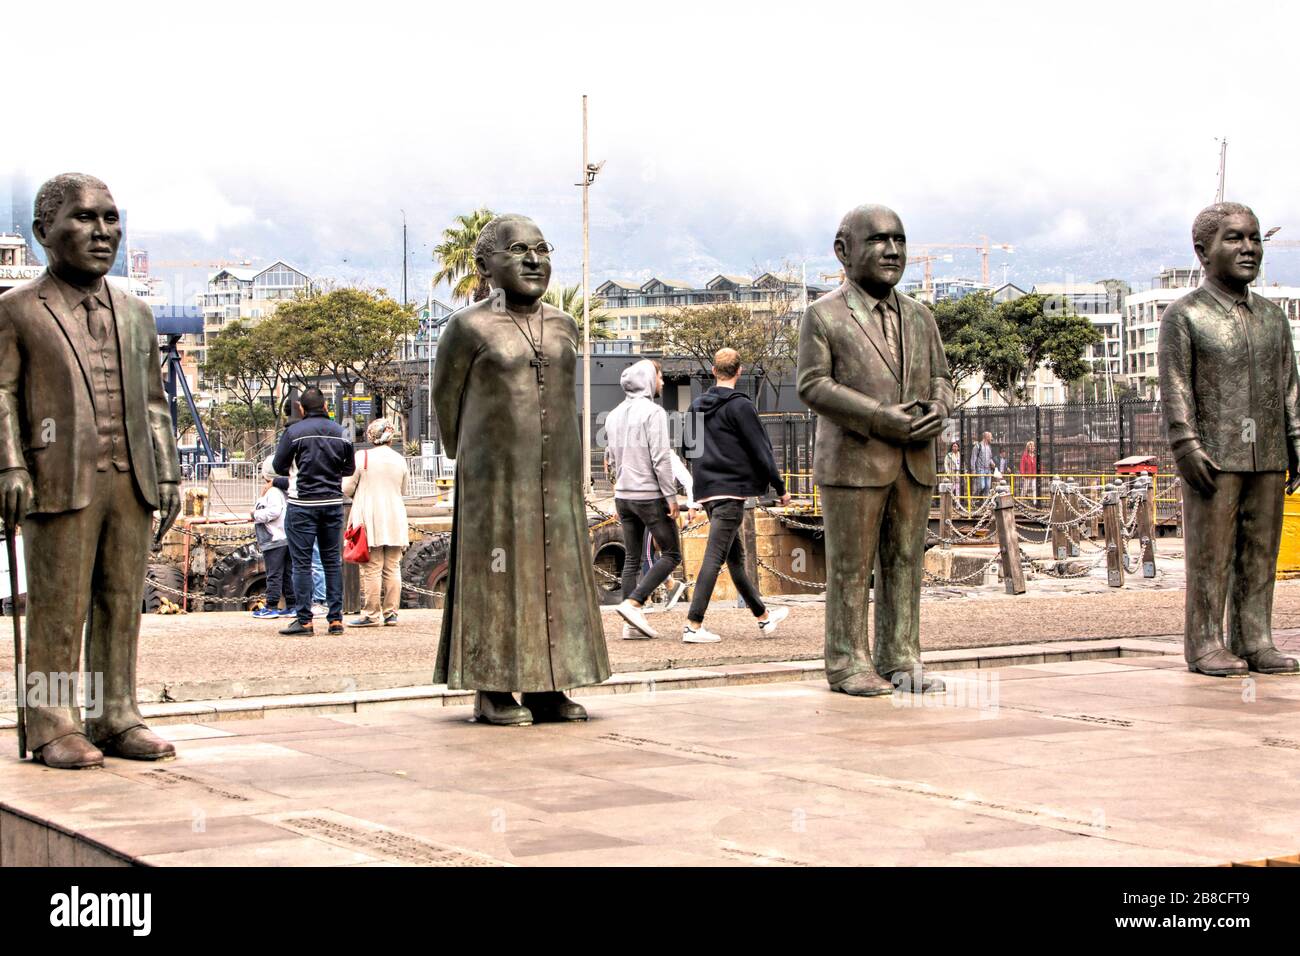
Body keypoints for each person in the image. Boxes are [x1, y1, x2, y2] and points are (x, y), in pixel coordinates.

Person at [0, 173, 181, 768]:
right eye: (85, 218)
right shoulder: (18, 310)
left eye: (110, 218)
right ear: (43, 232)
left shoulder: (136, 314)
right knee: (58, 605)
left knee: (121, 600)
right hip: (58, 479)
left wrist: (170, 472)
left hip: (130, 479)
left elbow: (155, 401)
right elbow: (0, 393)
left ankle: (115, 714)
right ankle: (52, 724)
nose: (103, 231)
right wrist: (9, 465)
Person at [432, 214, 609, 726]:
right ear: (485, 265)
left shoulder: (563, 324)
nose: (534, 259)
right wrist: (471, 460)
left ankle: (549, 685)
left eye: (542, 248)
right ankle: (491, 689)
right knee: (499, 575)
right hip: (495, 478)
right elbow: (446, 399)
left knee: (557, 574)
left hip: (557, 477)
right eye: (517, 249)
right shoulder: (467, 327)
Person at [797, 203, 953, 697]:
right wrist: (877, 416)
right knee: (850, 566)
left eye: (900, 240)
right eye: (879, 240)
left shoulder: (921, 317)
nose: (892, 250)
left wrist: (939, 408)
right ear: (843, 251)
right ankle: (846, 662)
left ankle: (901, 656)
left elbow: (943, 378)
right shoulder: (822, 316)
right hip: (854, 461)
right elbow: (812, 384)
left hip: (916, 459)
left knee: (905, 561)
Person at [1159, 201, 1300, 677]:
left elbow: (1289, 388)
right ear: (1203, 250)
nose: (1249, 249)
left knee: (1260, 552)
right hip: (1214, 456)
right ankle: (1203, 641)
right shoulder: (1186, 316)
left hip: (1269, 453)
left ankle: (1255, 637)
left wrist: (1296, 441)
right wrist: (1186, 444)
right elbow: (1175, 387)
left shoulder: (1273, 318)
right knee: (1211, 555)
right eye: (1235, 238)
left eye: (1255, 238)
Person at [682, 348, 791, 643]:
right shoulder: (741, 406)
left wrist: (698, 486)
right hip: (731, 492)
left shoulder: (695, 406)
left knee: (736, 559)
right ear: (739, 371)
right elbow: (762, 449)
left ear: (714, 372)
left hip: (707, 491)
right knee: (715, 557)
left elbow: (687, 450)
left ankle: (763, 618)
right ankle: (693, 625)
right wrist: (779, 488)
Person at [606, 359, 685, 640]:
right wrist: (671, 496)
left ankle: (630, 625)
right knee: (672, 553)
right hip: (648, 496)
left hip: (622, 496)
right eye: (659, 377)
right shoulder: (654, 413)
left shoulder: (612, 415)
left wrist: (621, 484)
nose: (662, 382)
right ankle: (634, 602)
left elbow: (611, 459)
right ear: (649, 380)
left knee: (631, 559)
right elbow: (661, 458)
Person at [272, 386, 355, 636]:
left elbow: (278, 466)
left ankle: (305, 620)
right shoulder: (341, 433)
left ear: (301, 408)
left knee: (302, 564)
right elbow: (349, 469)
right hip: (332, 504)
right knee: (332, 562)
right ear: (326, 406)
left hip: (302, 505)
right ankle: (335, 620)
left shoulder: (294, 432)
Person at [344, 418, 410, 627]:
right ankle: (391, 613)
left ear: (371, 436)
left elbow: (346, 488)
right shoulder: (400, 459)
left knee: (372, 568)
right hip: (395, 516)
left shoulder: (362, 457)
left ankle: (371, 614)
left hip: (370, 517)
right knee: (392, 567)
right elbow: (403, 489)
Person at [252, 457, 295, 619]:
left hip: (274, 539)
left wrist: (255, 515)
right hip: (286, 537)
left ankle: (271, 606)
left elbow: (274, 512)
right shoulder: (285, 490)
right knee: (287, 574)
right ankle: (292, 605)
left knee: (274, 573)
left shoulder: (272, 492)